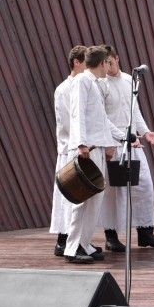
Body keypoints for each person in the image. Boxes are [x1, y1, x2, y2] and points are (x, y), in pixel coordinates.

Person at [99, 45, 154, 251]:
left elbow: (134, 111)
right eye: (104, 63)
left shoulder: (130, 79)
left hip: (133, 141)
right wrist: (120, 138)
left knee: (143, 185)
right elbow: (102, 118)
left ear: (117, 59)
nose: (108, 67)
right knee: (112, 191)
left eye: (110, 62)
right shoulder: (101, 83)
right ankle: (111, 236)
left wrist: (146, 132)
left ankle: (145, 233)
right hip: (113, 141)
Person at [63, 46, 127, 264]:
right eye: (108, 62)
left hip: (97, 148)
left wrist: (126, 137)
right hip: (86, 150)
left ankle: (84, 242)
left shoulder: (96, 84)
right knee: (82, 199)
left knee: (95, 200)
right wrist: (81, 143)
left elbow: (102, 120)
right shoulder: (82, 81)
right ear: (103, 63)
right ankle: (72, 248)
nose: (109, 66)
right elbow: (77, 112)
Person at [51, 46, 87, 257]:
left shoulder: (82, 86)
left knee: (79, 198)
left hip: (79, 147)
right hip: (70, 149)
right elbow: (68, 121)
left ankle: (77, 240)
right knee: (69, 197)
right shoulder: (65, 89)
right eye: (86, 61)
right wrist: (80, 142)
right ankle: (62, 242)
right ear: (76, 61)